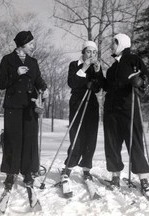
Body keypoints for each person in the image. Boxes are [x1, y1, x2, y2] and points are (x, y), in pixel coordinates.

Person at [0, 30, 48, 191]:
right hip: (13, 106)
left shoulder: (33, 62)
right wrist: (16, 73)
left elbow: (38, 80)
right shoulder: (7, 60)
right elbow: (1, 83)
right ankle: (11, 173)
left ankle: (28, 172)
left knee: (29, 139)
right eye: (30, 43)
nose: (33, 46)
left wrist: (44, 88)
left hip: (30, 106)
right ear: (22, 44)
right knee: (13, 139)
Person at [103, 33, 149, 192]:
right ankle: (115, 176)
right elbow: (107, 86)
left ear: (122, 43)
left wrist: (141, 81)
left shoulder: (133, 60)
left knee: (135, 142)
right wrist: (97, 74)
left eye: (114, 43)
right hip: (111, 111)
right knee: (112, 144)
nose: (111, 46)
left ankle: (144, 178)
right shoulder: (112, 68)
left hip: (128, 108)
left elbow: (147, 77)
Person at [61, 41, 104, 180]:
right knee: (76, 136)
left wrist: (97, 73)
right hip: (77, 102)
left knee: (90, 137)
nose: (91, 55)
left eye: (94, 52)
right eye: (88, 52)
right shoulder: (74, 64)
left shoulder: (95, 67)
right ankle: (68, 167)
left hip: (91, 103)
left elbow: (99, 87)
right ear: (83, 52)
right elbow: (72, 83)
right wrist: (84, 68)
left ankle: (86, 168)